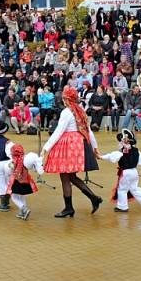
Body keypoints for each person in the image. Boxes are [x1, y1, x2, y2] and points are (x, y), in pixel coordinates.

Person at [41, 86, 103, 218]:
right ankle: (93, 198)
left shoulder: (67, 112)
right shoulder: (81, 111)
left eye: (64, 98)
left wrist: (46, 147)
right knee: (72, 177)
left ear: (67, 99)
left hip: (68, 145)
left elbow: (59, 131)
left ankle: (69, 208)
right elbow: (88, 131)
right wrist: (95, 148)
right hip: (79, 144)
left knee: (65, 177)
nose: (63, 100)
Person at [99, 129, 141, 213]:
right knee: (134, 188)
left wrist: (101, 157)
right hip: (134, 172)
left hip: (125, 173)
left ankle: (122, 207)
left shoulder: (121, 151)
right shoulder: (136, 151)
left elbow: (112, 157)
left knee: (122, 189)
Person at [5, 145, 41, 220]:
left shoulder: (13, 161)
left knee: (14, 197)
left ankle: (24, 209)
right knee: (22, 196)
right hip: (25, 180)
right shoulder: (25, 160)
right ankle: (22, 212)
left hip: (16, 181)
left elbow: (9, 170)